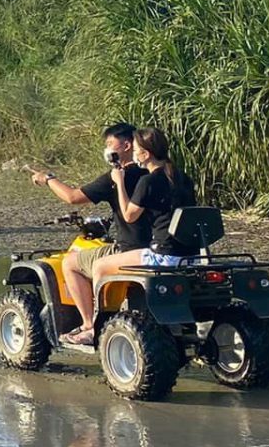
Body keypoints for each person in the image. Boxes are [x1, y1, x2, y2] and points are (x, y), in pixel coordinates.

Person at [28, 123, 142, 348]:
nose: (107, 148)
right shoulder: (156, 173)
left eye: (110, 143)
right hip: (157, 245)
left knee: (70, 262)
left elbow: (72, 197)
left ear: (126, 145)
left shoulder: (116, 177)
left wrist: (49, 178)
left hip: (130, 248)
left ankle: (89, 326)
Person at [85, 129, 199, 344]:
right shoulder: (182, 177)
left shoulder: (148, 181)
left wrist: (119, 182)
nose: (135, 154)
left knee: (99, 266)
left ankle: (99, 327)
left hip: (163, 255)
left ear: (145, 154)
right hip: (189, 254)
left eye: (137, 150)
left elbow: (128, 215)